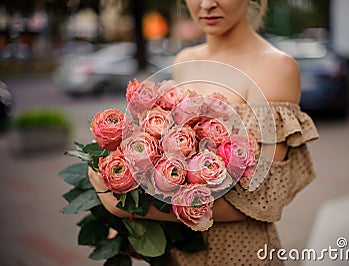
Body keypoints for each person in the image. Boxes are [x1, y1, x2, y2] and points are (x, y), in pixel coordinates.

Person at [89, 0, 319, 264]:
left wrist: (127, 208)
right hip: (178, 252)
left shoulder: (276, 67)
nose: (207, 4)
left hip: (237, 254)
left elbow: (258, 200)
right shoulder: (184, 61)